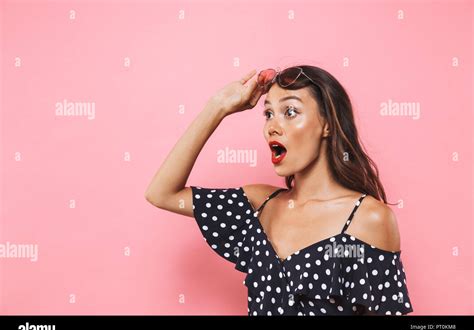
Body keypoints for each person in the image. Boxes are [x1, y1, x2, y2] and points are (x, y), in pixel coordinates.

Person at [145, 65, 413, 316]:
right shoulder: (259, 205)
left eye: (290, 112)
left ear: (327, 124)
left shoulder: (369, 219)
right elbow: (162, 194)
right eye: (269, 113)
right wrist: (218, 107)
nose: (272, 126)